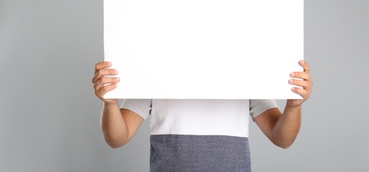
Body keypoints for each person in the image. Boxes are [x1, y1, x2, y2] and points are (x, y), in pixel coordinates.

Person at [92, 60, 313, 171]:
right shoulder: (156, 71)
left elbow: (282, 138)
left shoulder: (244, 72)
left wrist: (293, 107)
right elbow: (117, 138)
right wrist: (110, 104)